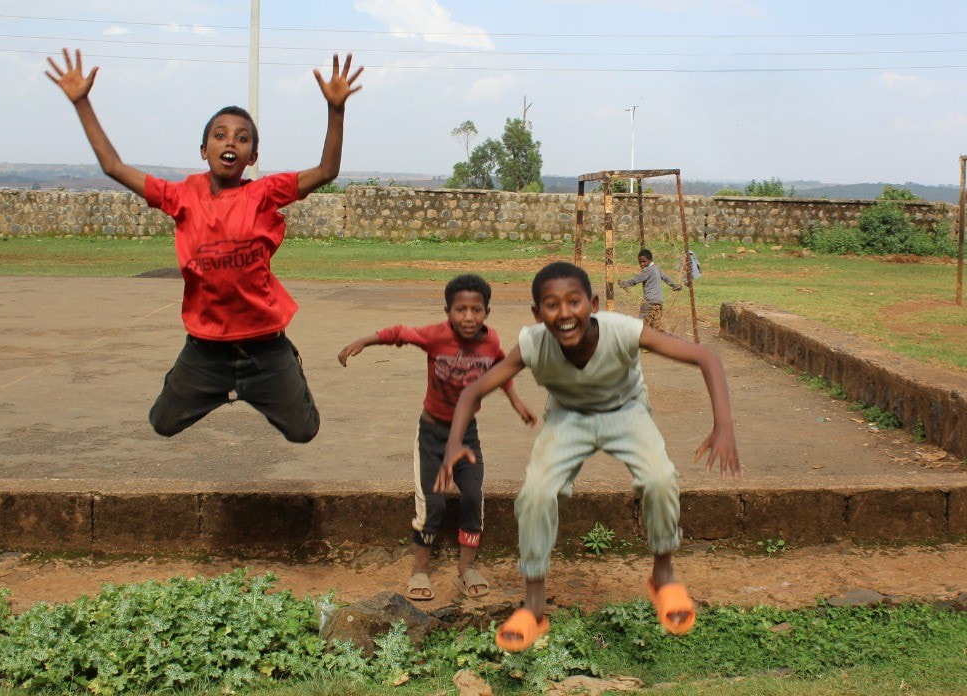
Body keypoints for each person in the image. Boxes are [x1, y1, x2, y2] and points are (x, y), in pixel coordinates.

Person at [46, 48, 362, 442]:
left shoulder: (265, 194)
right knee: (163, 423)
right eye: (220, 135)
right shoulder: (181, 195)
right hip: (206, 350)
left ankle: (270, 375)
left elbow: (327, 171)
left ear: (252, 156)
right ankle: (219, 386)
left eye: (242, 138)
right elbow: (113, 166)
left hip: (263, 347)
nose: (230, 142)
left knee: (304, 431)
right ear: (204, 149)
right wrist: (82, 102)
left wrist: (336, 110)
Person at [436, 261, 740, 651]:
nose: (564, 313)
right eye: (551, 305)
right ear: (536, 314)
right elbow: (472, 391)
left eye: (574, 302)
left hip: (625, 412)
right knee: (535, 495)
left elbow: (706, 357)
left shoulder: (622, 331)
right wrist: (453, 442)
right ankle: (534, 606)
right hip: (568, 418)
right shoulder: (533, 343)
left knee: (660, 479)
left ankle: (663, 577)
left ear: (593, 304)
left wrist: (724, 426)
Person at [338, 274, 536, 602]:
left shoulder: (490, 342)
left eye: (476, 309)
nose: (468, 317)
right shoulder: (436, 336)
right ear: (448, 311)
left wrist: (517, 402)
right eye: (460, 309)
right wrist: (362, 341)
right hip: (432, 435)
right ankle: (420, 569)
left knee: (473, 496)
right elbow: (399, 334)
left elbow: (501, 368)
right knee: (432, 503)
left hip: (467, 436)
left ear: (487, 311)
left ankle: (466, 568)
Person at [619, 249, 682, 331]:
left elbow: (635, 280)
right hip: (659, 303)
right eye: (640, 262)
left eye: (644, 262)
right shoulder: (657, 269)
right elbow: (666, 278)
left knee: (643, 326)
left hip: (649, 303)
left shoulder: (647, 270)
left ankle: (644, 341)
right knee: (655, 325)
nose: (642, 264)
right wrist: (674, 285)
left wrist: (623, 284)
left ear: (650, 260)